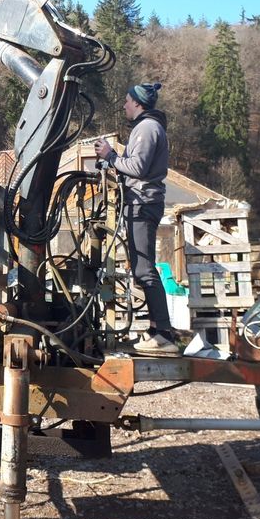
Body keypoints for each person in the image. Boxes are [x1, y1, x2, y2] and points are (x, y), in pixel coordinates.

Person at [94, 82, 179, 357]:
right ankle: (156, 331)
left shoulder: (146, 128)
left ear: (138, 104)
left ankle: (164, 334)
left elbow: (138, 168)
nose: (124, 105)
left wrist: (110, 155)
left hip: (142, 204)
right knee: (142, 268)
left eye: (127, 101)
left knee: (144, 270)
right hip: (142, 203)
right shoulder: (150, 128)